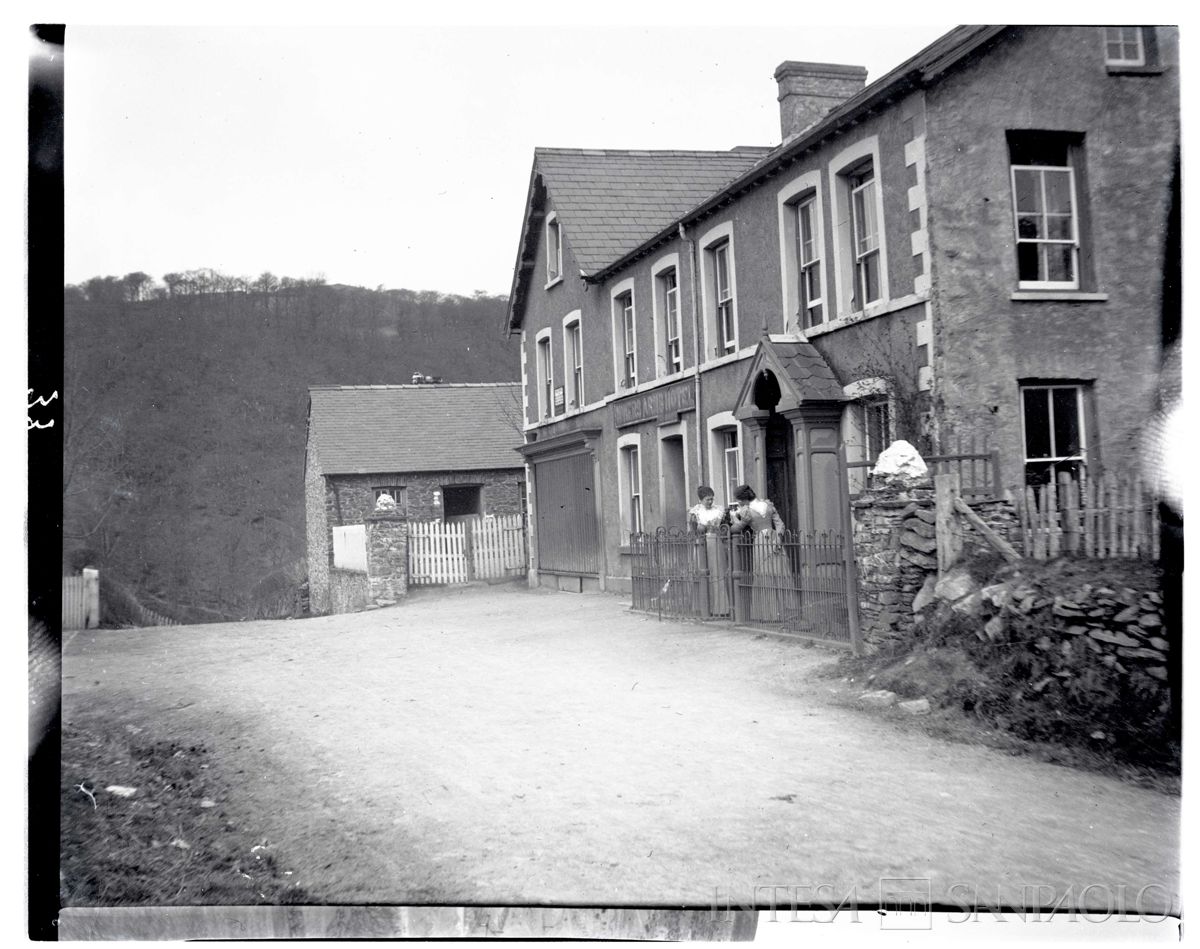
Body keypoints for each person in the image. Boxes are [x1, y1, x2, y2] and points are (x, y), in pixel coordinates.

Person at [728, 484, 795, 623]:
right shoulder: (767, 504)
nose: (738, 502)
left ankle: (769, 614)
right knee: (780, 572)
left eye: (739, 499)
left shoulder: (746, 510)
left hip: (761, 542)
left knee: (764, 573)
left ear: (743, 499)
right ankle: (785, 612)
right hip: (775, 539)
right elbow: (780, 524)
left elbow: (737, 528)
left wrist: (734, 519)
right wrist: (778, 537)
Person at [687, 486, 730, 616]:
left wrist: (716, 530)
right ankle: (703, 607)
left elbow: (724, 528)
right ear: (700, 500)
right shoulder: (695, 512)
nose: (710, 502)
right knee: (702, 573)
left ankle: (720, 608)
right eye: (707, 500)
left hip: (715, 542)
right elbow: (693, 530)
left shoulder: (719, 511)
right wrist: (698, 528)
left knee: (717, 572)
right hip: (700, 544)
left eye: (712, 499)